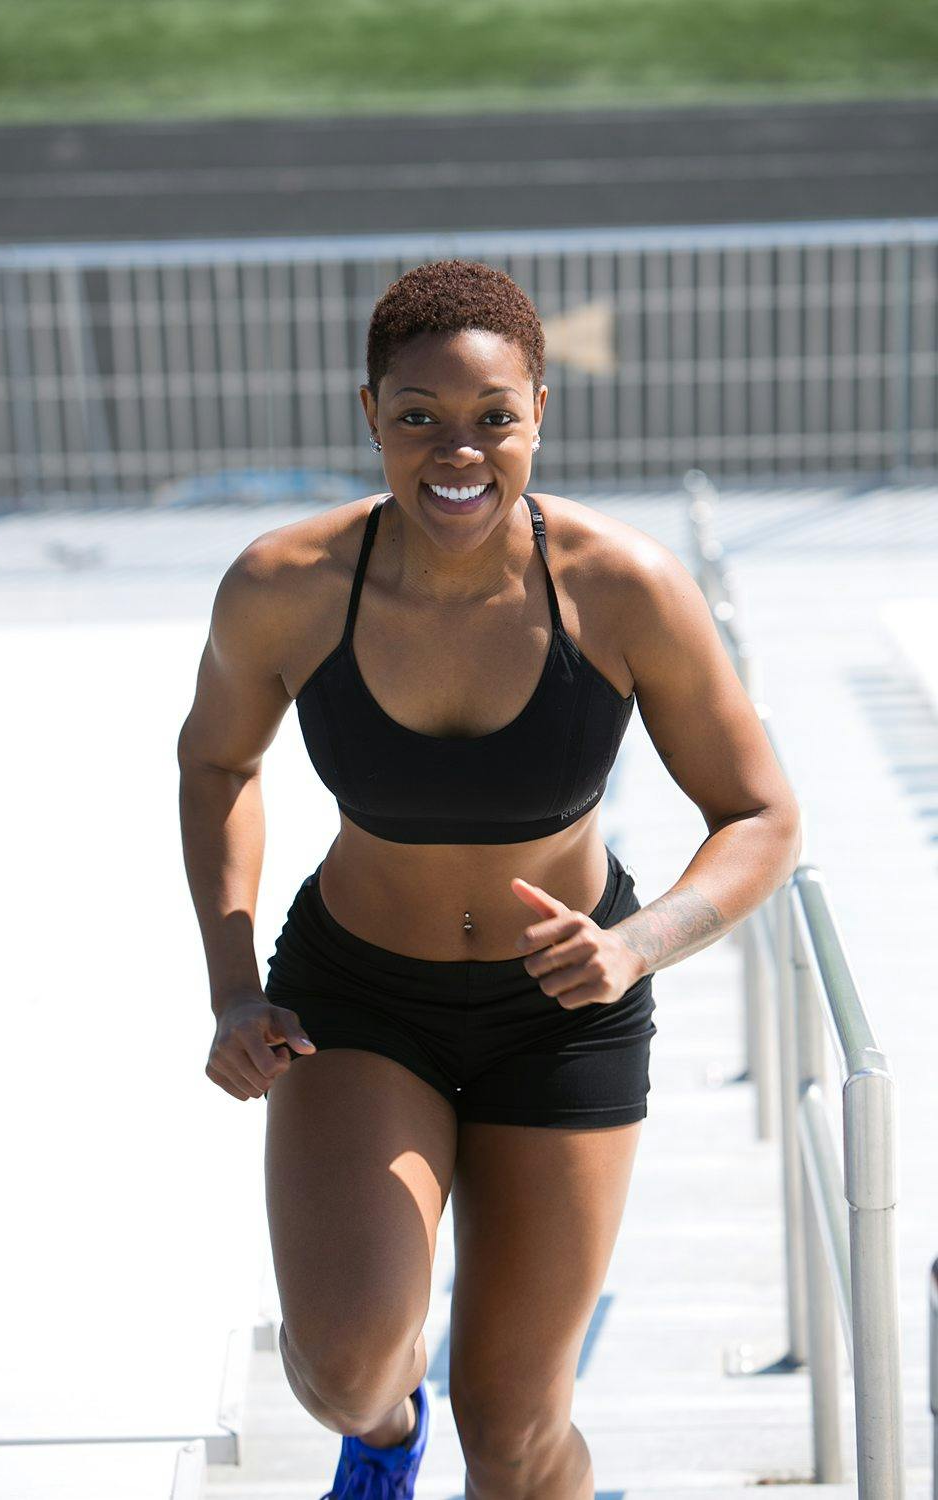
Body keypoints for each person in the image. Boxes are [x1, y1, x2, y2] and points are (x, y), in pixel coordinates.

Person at [177, 258, 802, 1500]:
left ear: (539, 412)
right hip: (359, 1000)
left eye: (491, 419)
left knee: (514, 1429)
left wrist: (641, 943)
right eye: (418, 417)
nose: (455, 453)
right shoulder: (283, 587)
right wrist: (235, 989)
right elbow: (215, 768)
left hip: (562, 1019)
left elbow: (760, 814)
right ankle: (385, 1440)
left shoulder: (623, 586)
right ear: (369, 415)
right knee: (345, 1371)